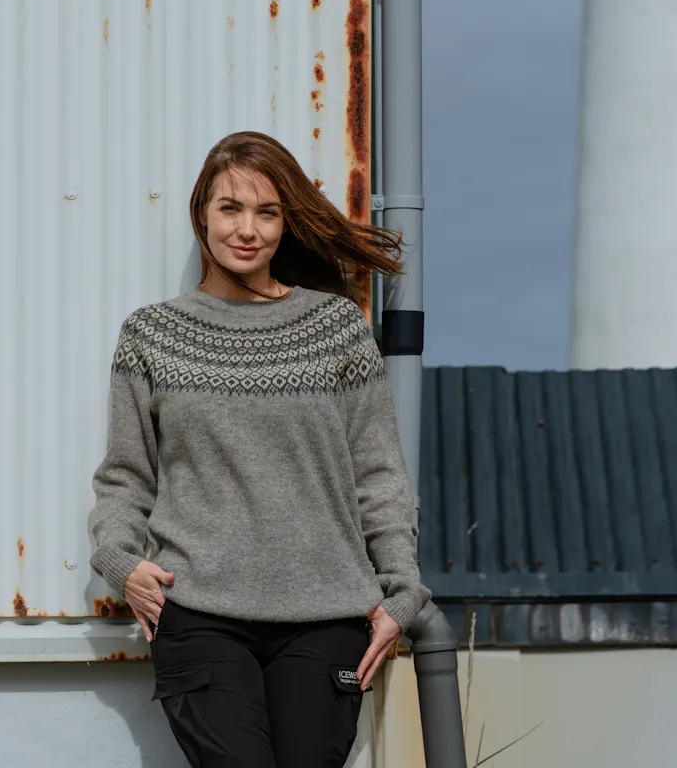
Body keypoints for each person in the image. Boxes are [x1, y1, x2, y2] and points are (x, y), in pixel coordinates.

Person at [88, 131, 431, 767]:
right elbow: (126, 477)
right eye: (230, 209)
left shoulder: (334, 329)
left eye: (266, 212)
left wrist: (401, 594)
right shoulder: (151, 335)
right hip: (198, 611)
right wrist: (119, 559)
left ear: (285, 223)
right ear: (202, 215)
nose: (247, 229)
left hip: (327, 615)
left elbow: (379, 476)